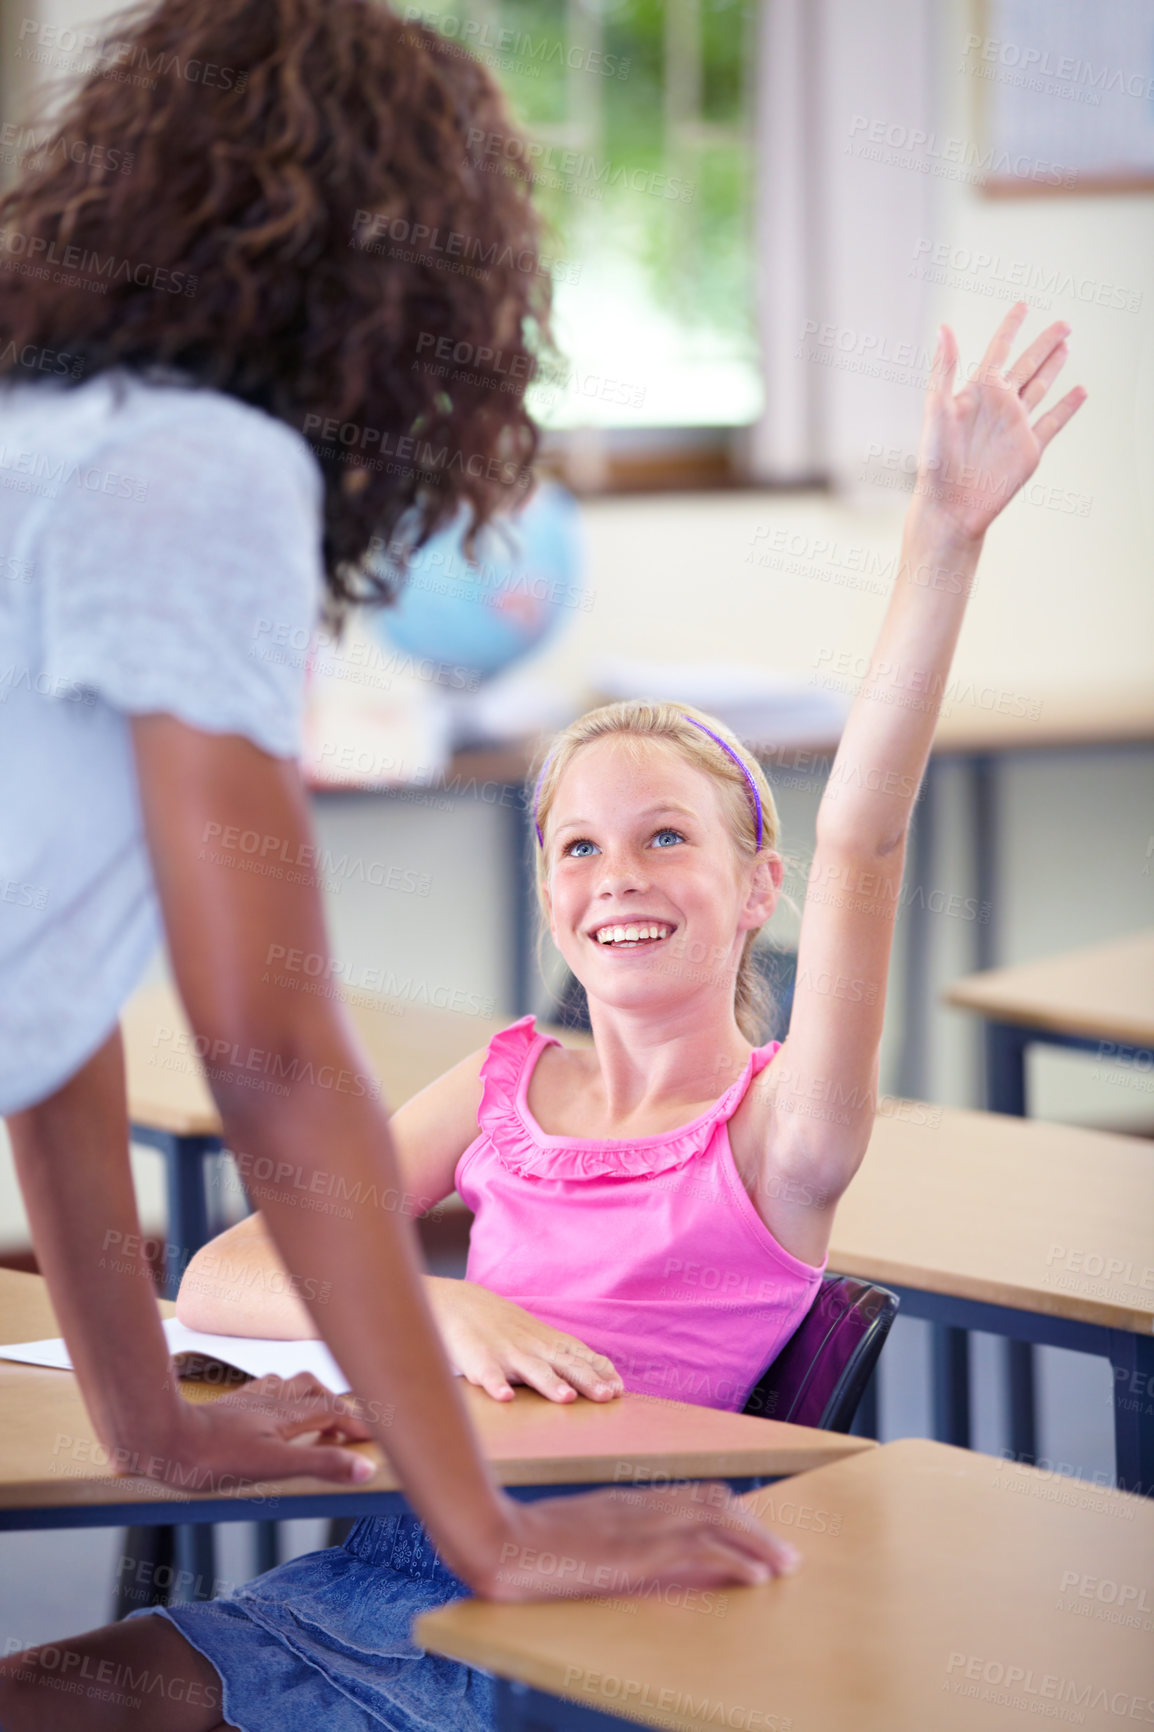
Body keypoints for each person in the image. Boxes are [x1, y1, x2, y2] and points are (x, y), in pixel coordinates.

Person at [0, 305, 1086, 1730]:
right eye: (577, 847)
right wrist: (438, 1305)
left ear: (759, 882)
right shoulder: (504, 1082)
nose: (616, 879)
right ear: (544, 890)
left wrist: (942, 536)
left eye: (665, 840)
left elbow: (866, 834)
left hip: (599, 1610)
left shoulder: (780, 1130)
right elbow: (227, 1271)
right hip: (390, 1563)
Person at [0, 0, 787, 1619]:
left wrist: (153, 1428)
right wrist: (492, 1533)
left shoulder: (52, 439)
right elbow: (271, 1057)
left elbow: (46, 1010)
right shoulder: (204, 476)